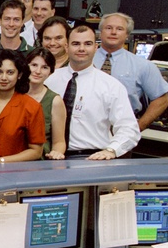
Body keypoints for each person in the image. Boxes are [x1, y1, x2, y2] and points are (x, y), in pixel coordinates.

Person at [45, 23, 141, 159]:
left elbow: (129, 128)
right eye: (76, 44)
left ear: (96, 47)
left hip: (91, 157)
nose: (81, 49)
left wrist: (111, 150)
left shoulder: (111, 86)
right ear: (66, 47)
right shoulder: (50, 80)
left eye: (88, 44)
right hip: (51, 156)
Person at [95, 12, 168, 130]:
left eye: (119, 29)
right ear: (100, 33)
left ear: (127, 35)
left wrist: (137, 128)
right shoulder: (82, 60)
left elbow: (162, 99)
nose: (113, 32)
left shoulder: (142, 65)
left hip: (121, 127)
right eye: (108, 28)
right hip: (83, 126)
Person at [0, 49, 45, 164]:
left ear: (20, 75)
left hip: (16, 169)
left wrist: (1, 161)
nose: (4, 78)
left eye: (10, 72)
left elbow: (36, 151)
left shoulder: (32, 107)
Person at [26, 48, 67, 159]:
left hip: (41, 161)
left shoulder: (55, 101)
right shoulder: (12, 94)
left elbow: (59, 142)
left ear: (51, 72)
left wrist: (56, 153)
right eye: (34, 65)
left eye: (44, 67)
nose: (38, 71)